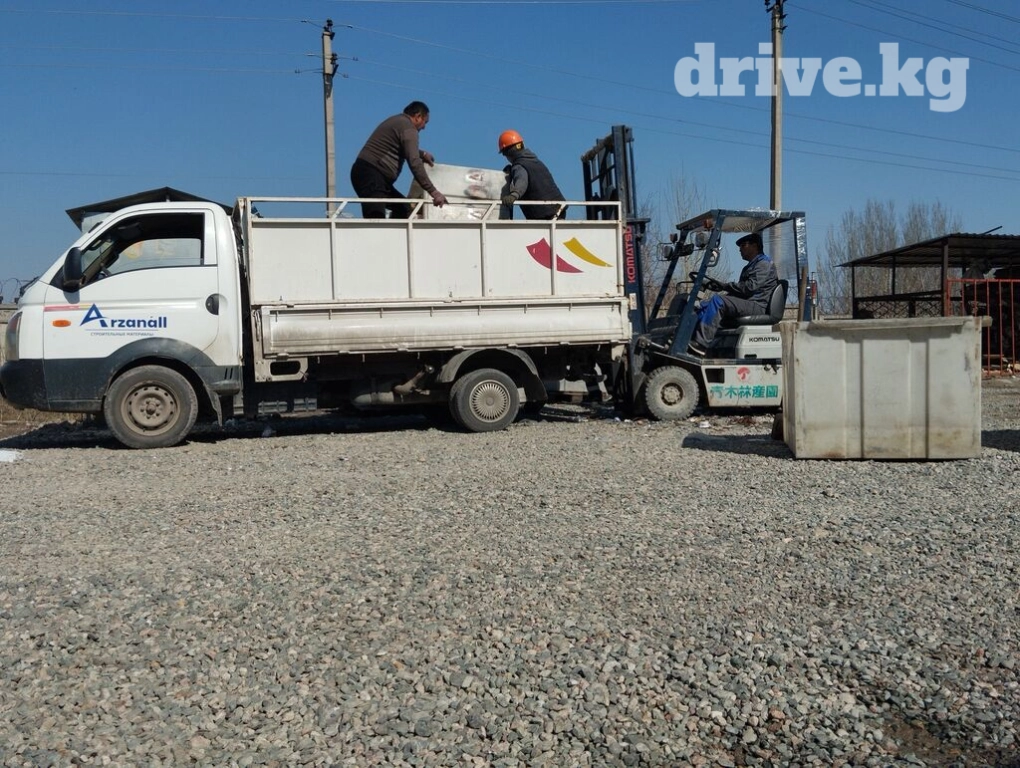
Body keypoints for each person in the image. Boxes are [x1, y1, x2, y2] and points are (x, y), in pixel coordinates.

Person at [350, 101, 448, 218]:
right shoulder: (409, 128)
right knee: (376, 219)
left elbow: (401, 147)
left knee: (403, 210)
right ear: (418, 116)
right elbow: (414, 162)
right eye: (425, 122)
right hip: (371, 175)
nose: (424, 127)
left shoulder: (398, 121)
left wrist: (422, 154)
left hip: (370, 175)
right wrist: (434, 192)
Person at [688, 231, 779, 355]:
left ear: (754, 246)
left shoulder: (763, 264)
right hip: (749, 303)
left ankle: (701, 344)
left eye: (743, 245)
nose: (740, 249)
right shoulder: (751, 266)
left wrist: (725, 286)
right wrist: (724, 290)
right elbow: (741, 292)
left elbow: (749, 288)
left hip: (757, 305)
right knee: (703, 305)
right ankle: (686, 336)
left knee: (718, 301)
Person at [497, 130, 566, 220]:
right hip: (558, 208)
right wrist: (512, 172)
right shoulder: (535, 162)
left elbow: (522, 181)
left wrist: (514, 195)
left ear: (509, 152)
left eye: (504, 154)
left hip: (545, 213)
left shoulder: (519, 166)